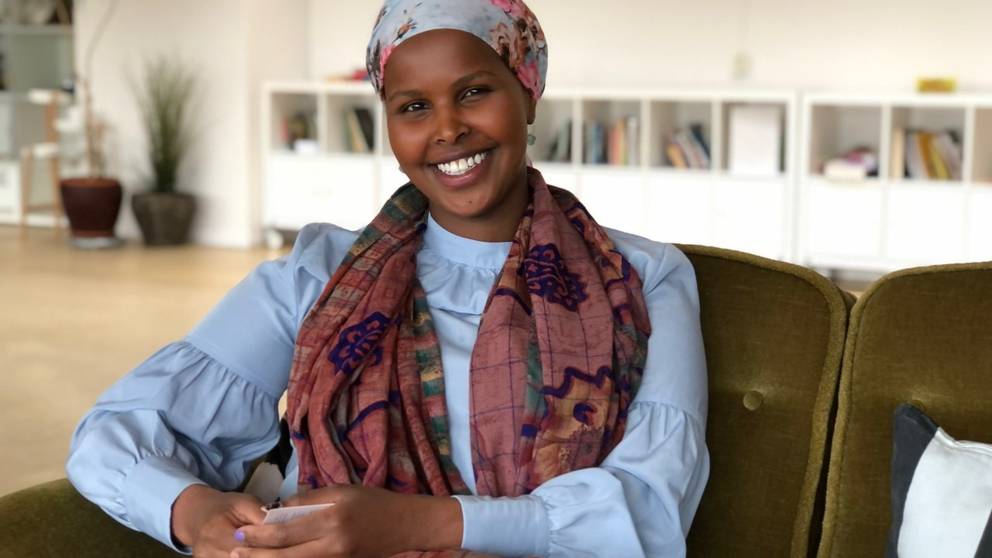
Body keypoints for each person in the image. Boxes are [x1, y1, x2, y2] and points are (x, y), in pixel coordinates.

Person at [66, 1, 709, 556]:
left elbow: (650, 509)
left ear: (527, 90)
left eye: (474, 92)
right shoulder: (320, 275)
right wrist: (194, 511)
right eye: (414, 107)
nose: (448, 129)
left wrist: (411, 524)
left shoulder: (642, 277)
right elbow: (110, 436)